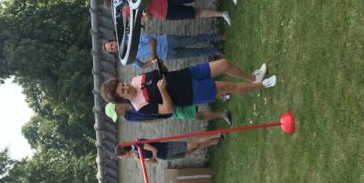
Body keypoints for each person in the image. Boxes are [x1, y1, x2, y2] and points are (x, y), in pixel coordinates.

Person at [100, 59, 275, 115]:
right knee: (227, 86)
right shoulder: (140, 107)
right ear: (121, 98)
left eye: (123, 84)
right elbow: (168, 109)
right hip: (189, 93)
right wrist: (162, 91)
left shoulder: (136, 79)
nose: (127, 87)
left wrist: (160, 65)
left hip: (186, 74)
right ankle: (262, 85)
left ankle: (254, 77)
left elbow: (163, 74)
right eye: (123, 90)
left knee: (224, 64)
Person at [105, 0, 233, 25]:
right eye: (116, 6)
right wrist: (145, 13)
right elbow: (148, 19)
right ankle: (222, 14)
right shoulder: (126, 13)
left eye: (116, 2)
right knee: (195, 13)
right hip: (165, 14)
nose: (118, 5)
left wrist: (143, 2)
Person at [102, 32, 222, 65]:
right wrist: (152, 61)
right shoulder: (127, 57)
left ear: (113, 40)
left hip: (167, 41)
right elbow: (141, 66)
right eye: (111, 49)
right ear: (114, 52)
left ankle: (217, 37)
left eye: (111, 44)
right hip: (166, 56)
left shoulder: (130, 37)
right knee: (194, 53)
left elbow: (152, 40)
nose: (113, 47)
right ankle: (216, 51)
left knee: (193, 39)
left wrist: (152, 54)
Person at [114, 133, 223, 163]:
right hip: (165, 156)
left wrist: (151, 157)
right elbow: (154, 162)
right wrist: (142, 161)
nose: (124, 159)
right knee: (192, 150)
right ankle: (215, 141)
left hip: (167, 148)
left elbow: (154, 150)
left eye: (122, 157)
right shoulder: (136, 155)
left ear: (124, 152)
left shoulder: (137, 144)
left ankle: (217, 134)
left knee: (194, 144)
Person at [104, 101, 232, 124]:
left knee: (196, 97)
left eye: (117, 112)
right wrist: (161, 119)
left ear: (116, 106)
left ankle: (223, 94)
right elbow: (145, 120)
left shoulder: (128, 98)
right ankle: (223, 114)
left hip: (167, 100)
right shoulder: (129, 117)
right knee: (197, 116)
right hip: (168, 112)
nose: (119, 115)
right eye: (117, 116)